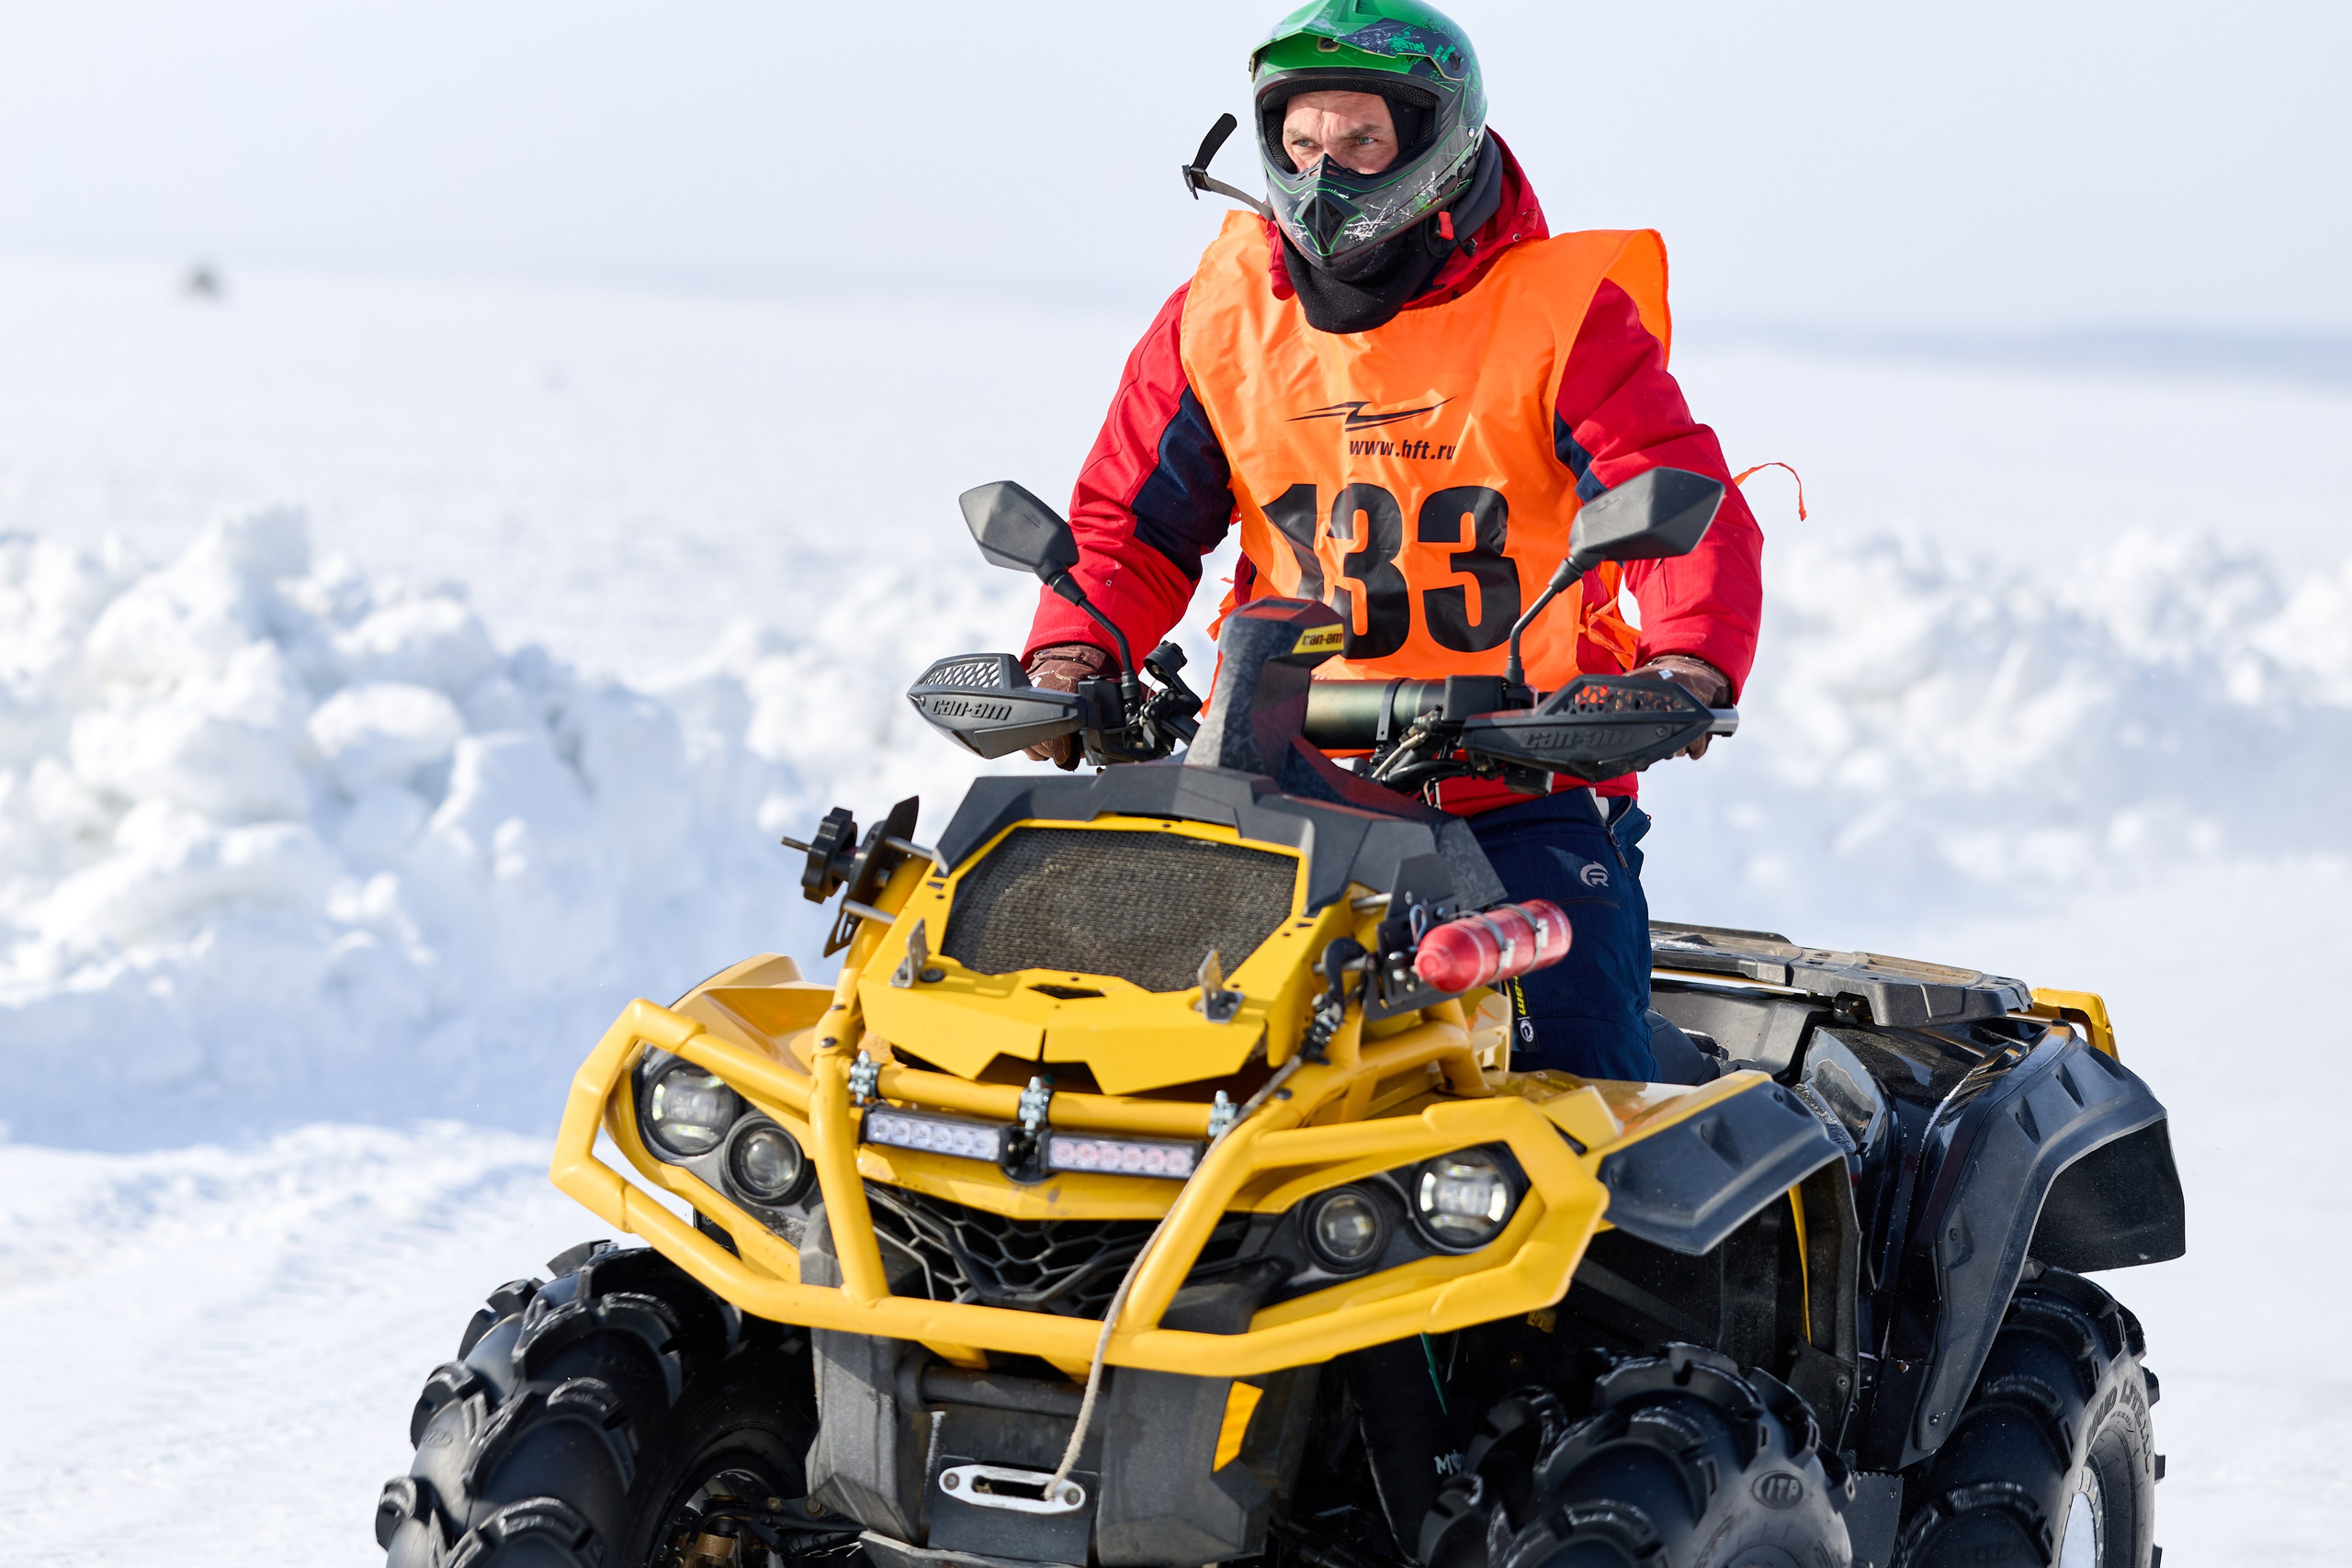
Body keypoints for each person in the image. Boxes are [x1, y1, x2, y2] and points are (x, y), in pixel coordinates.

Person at [1019, 0, 1763, 1082]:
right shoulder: (1218, 316)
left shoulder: (1556, 312)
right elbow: (1130, 525)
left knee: (1575, 1092)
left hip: (1519, 785)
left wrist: (1682, 663)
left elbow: (1677, 500)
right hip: (1271, 778)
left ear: (1438, 141)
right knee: (1129, 1071)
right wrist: (1075, 653)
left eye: (1363, 139)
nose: (1327, 171)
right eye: (1302, 139)